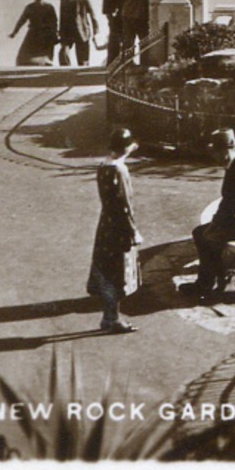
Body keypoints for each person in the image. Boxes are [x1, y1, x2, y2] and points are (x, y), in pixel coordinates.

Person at [185, 129, 235, 299]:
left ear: (224, 152)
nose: (214, 156)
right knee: (201, 233)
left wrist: (214, 226)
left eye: (215, 152)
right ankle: (209, 282)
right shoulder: (234, 166)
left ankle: (219, 283)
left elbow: (232, 207)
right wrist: (215, 224)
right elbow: (228, 203)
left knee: (208, 237)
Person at [88, 128, 142, 334]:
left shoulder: (104, 166)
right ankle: (113, 319)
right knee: (118, 273)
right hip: (119, 227)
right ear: (126, 147)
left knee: (107, 271)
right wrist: (133, 230)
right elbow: (124, 204)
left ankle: (108, 316)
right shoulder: (120, 170)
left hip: (106, 225)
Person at [8, 0, 59, 65]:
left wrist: (54, 34)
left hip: (46, 35)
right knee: (22, 58)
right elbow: (22, 20)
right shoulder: (30, 7)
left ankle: (45, 63)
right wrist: (14, 32)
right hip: (33, 33)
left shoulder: (49, 7)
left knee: (46, 56)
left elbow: (54, 22)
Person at [58, 0, 99, 67]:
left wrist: (95, 30)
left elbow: (92, 14)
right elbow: (62, 17)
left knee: (83, 61)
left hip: (82, 32)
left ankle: (82, 78)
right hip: (67, 32)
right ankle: (66, 75)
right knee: (63, 54)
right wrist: (60, 32)